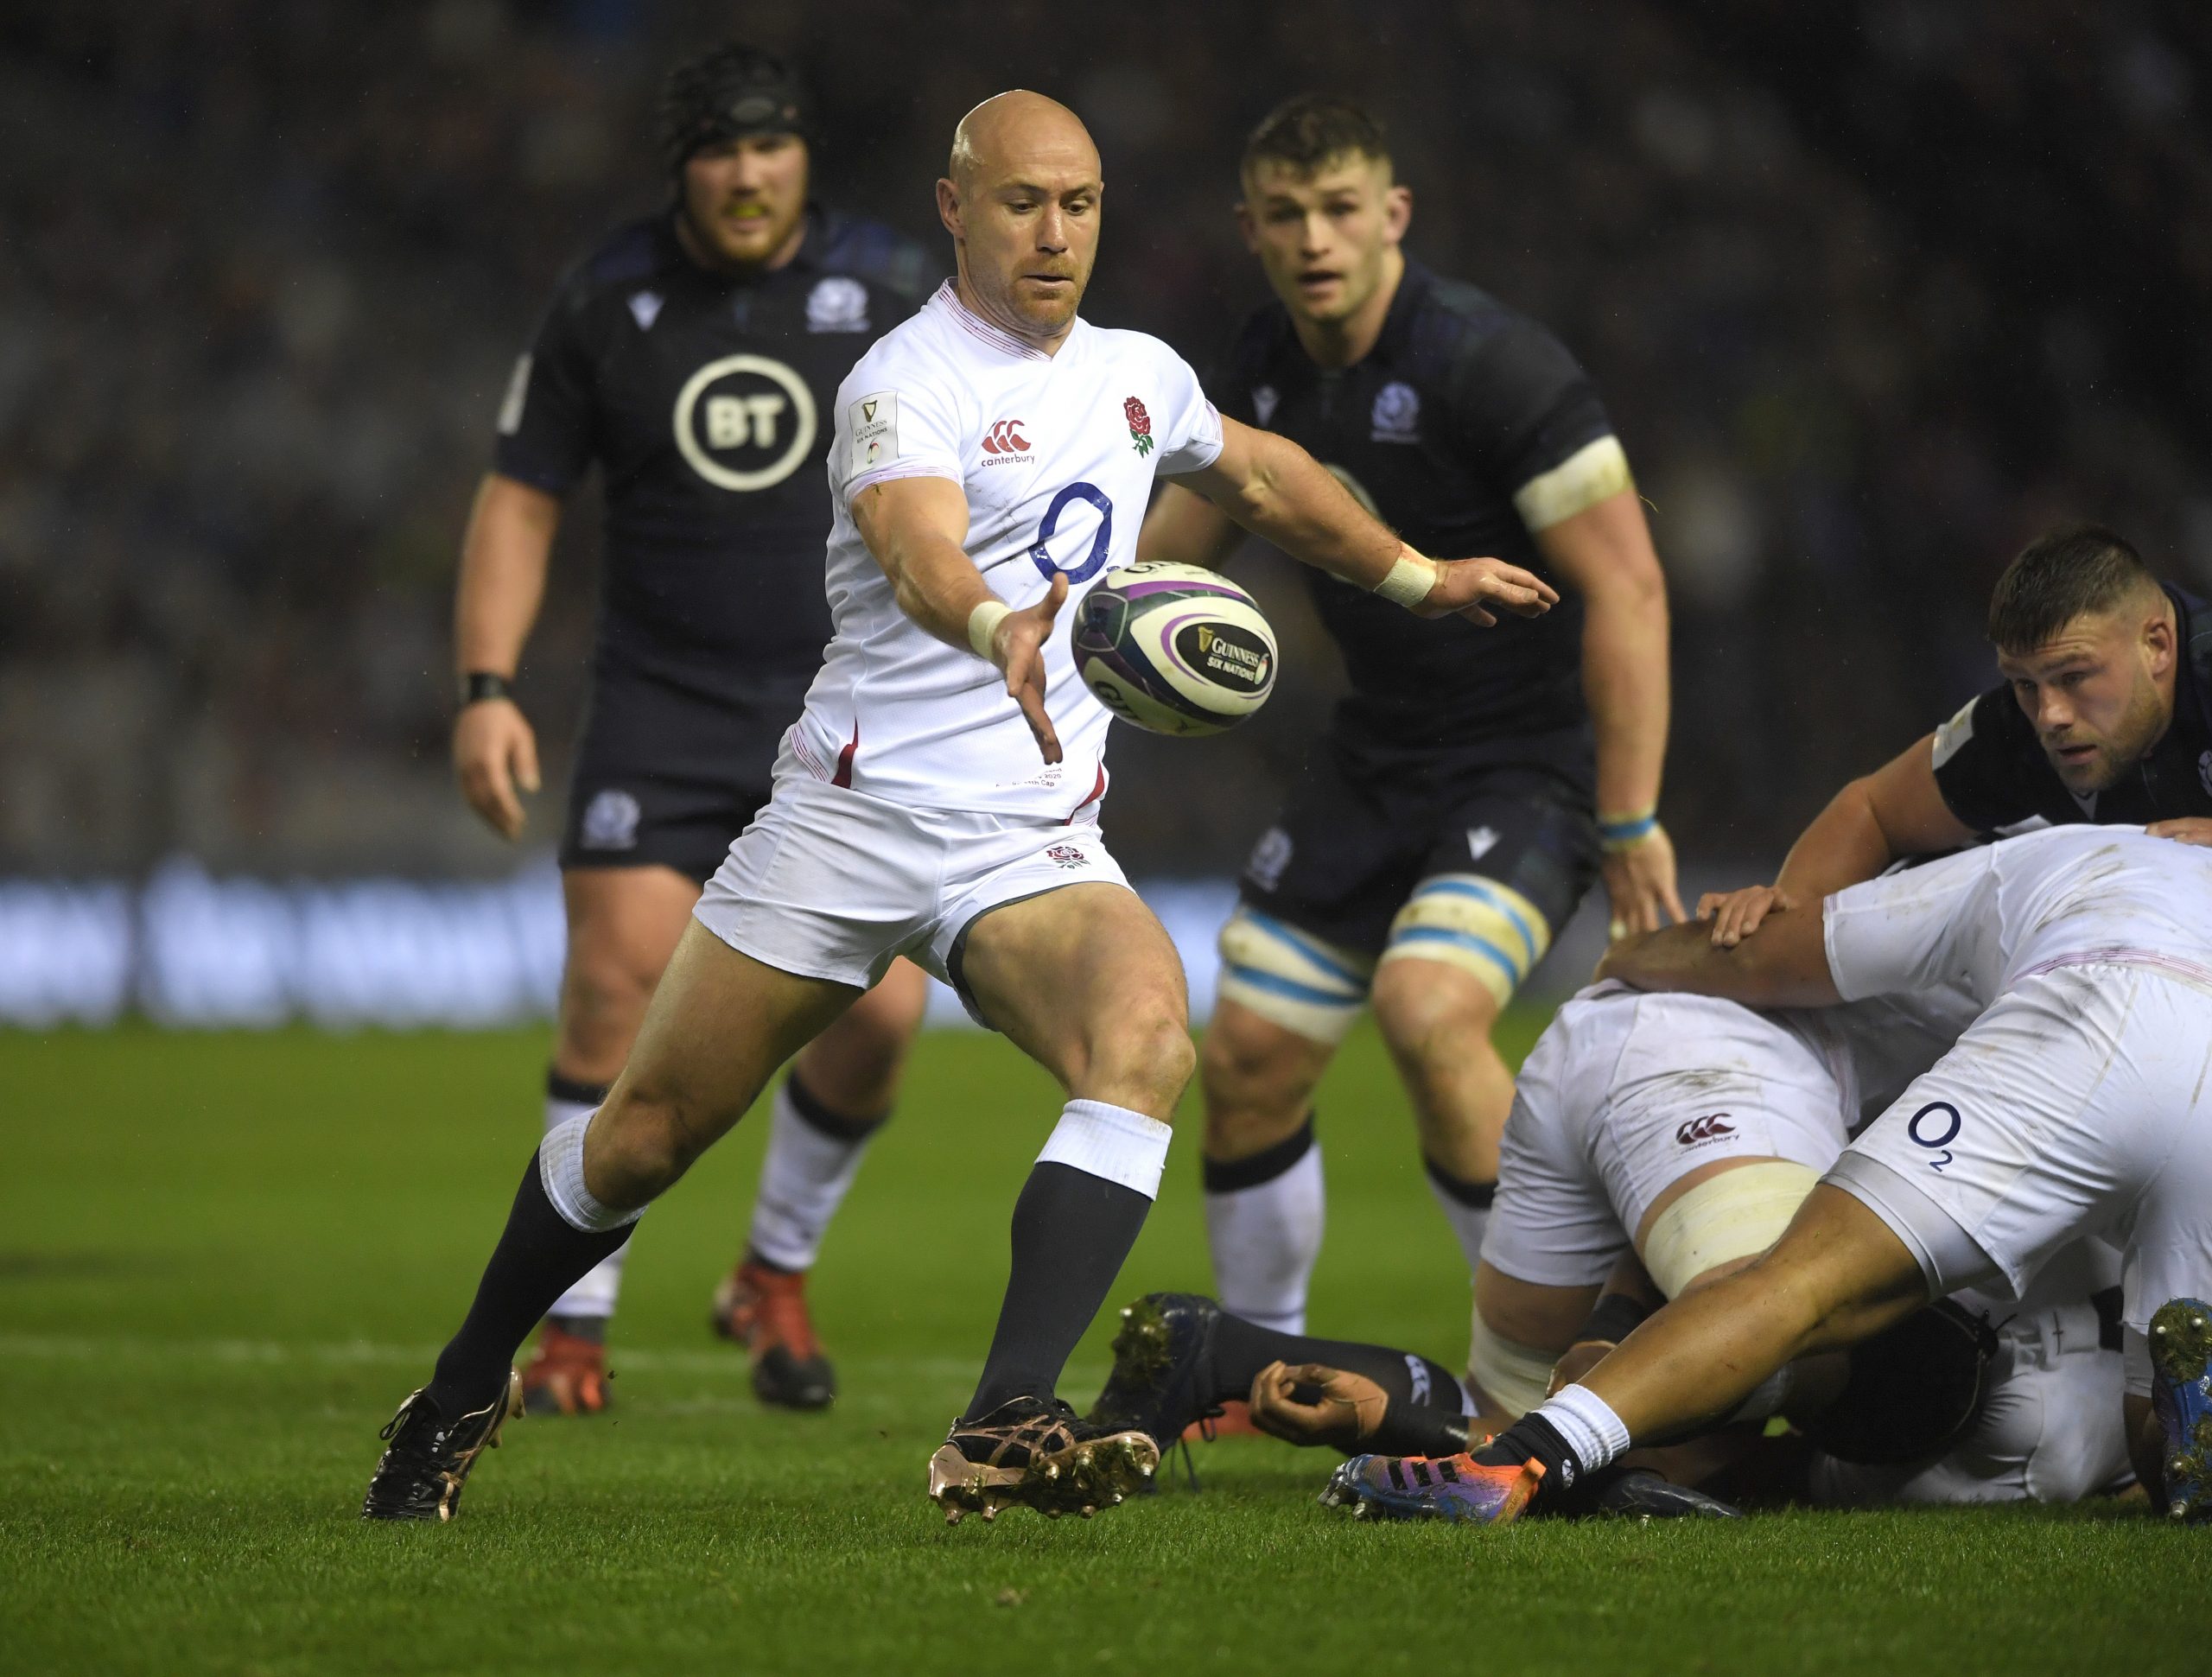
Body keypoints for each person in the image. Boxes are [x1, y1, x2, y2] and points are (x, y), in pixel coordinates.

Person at [363, 89, 1560, 1526]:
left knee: (1144, 1036)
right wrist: (997, 623)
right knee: (644, 1137)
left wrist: (1421, 575)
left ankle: (1002, 1417)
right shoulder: (898, 382)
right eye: (1021, 202)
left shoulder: (1136, 372)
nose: (1055, 233)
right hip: (850, 823)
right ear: (955, 209)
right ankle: (461, 1383)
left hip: (1029, 839)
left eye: (1081, 203)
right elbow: (913, 540)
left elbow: (1270, 476)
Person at [1137, 95, 1677, 1344]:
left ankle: (1548, 1375)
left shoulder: (1494, 363)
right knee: (1251, 1055)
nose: (1315, 239)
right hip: (1375, 753)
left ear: (1394, 216)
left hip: (1525, 764)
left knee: (1429, 1012)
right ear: (1251, 230)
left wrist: (1635, 812)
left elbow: (1632, 585)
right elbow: (1167, 564)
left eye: (1340, 210)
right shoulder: (1257, 369)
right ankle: (1257, 1366)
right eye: (1286, 215)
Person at [453, 43, 939, 1417]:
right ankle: (572, 1325)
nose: (748, 172)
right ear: (683, 165)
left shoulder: (896, 291)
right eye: (720, 149)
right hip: (661, 708)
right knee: (614, 982)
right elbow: (521, 493)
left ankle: (770, 1273)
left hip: (848, 710)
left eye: (771, 145)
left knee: (886, 1014)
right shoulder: (606, 300)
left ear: (805, 157)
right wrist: (487, 686)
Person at [1319, 823, 2212, 1525]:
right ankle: (1549, 1429)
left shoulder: (2057, 855)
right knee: (1806, 1343)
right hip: (1705, 1055)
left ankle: (1491, 1451)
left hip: (2073, 1027)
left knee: (1785, 1301)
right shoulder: (2076, 842)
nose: (2053, 716)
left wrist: (1638, 949)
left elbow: (1809, 893)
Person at [1701, 523, 2212, 950]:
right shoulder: (2015, 726)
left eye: (2075, 676)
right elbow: (1875, 811)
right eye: (2025, 683)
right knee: (1915, 873)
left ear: (2157, 645)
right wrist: (1787, 903)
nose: (2050, 716)